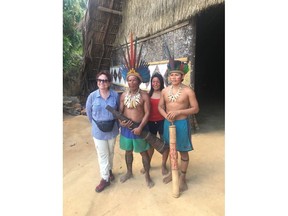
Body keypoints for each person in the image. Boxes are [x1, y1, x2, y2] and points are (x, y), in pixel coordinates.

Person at [118, 33, 154, 188]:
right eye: (129, 79)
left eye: (134, 79)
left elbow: (147, 113)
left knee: (143, 152)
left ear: (139, 81)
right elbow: (120, 111)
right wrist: (120, 122)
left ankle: (147, 176)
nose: (131, 82)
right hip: (126, 129)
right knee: (127, 152)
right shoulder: (123, 95)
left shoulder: (144, 95)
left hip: (140, 128)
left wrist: (140, 127)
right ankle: (129, 172)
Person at [158, 59, 199, 192]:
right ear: (169, 77)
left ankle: (183, 177)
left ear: (182, 76)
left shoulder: (188, 91)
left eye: (177, 75)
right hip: (167, 123)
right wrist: (166, 116)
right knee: (171, 149)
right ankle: (173, 172)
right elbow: (160, 106)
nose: (174, 77)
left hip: (182, 124)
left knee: (183, 151)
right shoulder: (164, 91)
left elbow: (195, 109)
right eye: (172, 75)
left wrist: (179, 112)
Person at [86, 70, 120, 193]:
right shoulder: (92, 96)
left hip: (112, 129)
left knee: (110, 152)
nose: (102, 82)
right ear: (97, 82)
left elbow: (118, 111)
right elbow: (89, 114)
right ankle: (105, 178)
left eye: (105, 80)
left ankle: (109, 170)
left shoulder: (115, 95)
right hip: (98, 131)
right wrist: (97, 124)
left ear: (109, 82)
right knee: (103, 155)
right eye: (100, 80)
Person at [145, 73, 168, 176]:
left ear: (161, 82)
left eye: (157, 82)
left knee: (165, 144)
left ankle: (163, 165)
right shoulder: (147, 95)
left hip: (163, 122)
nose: (155, 84)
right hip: (150, 122)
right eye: (153, 82)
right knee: (151, 144)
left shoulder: (165, 93)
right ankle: (148, 164)